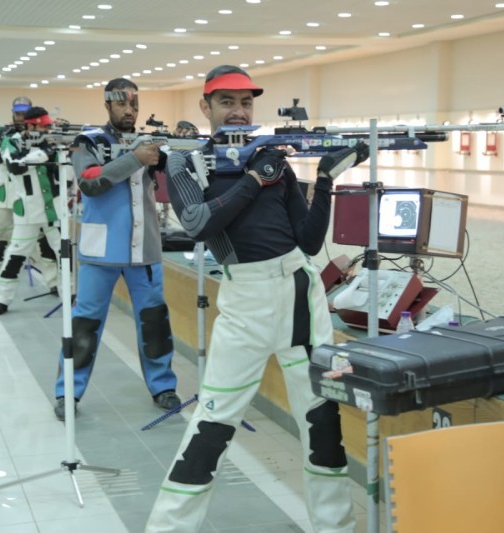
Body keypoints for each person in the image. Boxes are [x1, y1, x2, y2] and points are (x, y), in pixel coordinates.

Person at [145, 65, 368, 533]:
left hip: (300, 293)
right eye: (226, 102)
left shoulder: (272, 159)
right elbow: (198, 224)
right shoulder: (187, 161)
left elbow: (309, 241)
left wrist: (325, 179)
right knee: (212, 423)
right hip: (244, 299)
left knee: (322, 420)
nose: (238, 111)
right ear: (205, 106)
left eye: (246, 103)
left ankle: (336, 527)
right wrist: (253, 179)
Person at [52, 77, 180, 420]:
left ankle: (163, 387)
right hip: (101, 252)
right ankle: (67, 391)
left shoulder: (151, 143)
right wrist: (136, 158)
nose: (129, 111)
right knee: (85, 323)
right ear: (107, 104)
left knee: (154, 322)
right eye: (122, 104)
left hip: (145, 250)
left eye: (134, 104)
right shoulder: (87, 141)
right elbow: (91, 182)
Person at [0, 97, 57, 301]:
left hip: (33, 194)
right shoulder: (2, 132)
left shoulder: (41, 134)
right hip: (6, 192)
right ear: (12, 112)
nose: (20, 116)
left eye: (24, 112)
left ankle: (54, 281)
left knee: (43, 240)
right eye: (18, 112)